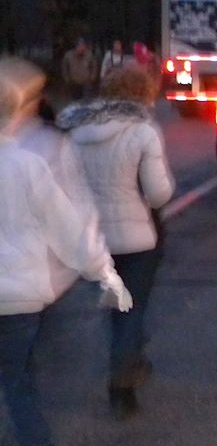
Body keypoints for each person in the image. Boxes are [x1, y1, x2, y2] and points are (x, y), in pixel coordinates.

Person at [0, 70, 132, 446]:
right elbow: (68, 229)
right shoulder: (28, 166)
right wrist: (103, 274)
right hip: (20, 297)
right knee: (17, 380)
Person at [58, 67, 174, 415]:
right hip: (138, 237)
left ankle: (126, 364)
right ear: (143, 93)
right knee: (132, 308)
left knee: (115, 305)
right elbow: (158, 193)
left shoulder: (75, 131)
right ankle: (123, 376)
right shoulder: (142, 131)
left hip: (93, 238)